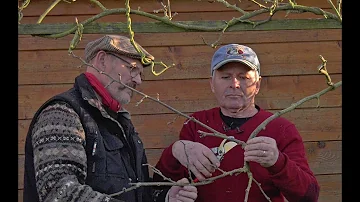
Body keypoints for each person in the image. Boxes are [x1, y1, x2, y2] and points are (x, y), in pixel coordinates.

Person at [23, 35, 198, 202]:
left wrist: (165, 197)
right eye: (132, 69)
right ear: (102, 61)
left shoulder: (121, 123)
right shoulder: (62, 113)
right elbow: (59, 193)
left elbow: (134, 192)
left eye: (141, 74)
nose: (138, 80)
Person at [153, 44, 320, 202]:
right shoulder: (196, 124)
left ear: (257, 85)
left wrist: (278, 162)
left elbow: (309, 196)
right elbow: (159, 185)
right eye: (225, 77)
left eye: (244, 77)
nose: (234, 84)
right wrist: (175, 150)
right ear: (212, 84)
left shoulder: (280, 129)